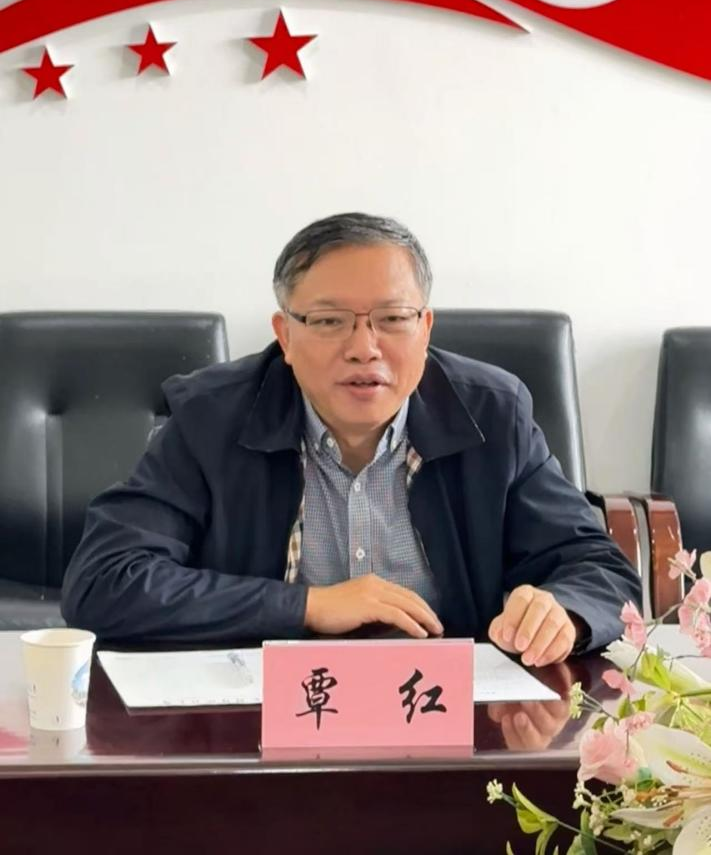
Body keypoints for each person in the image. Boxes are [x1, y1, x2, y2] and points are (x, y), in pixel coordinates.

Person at [61, 212, 641, 666]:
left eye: (393, 319)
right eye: (329, 321)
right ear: (285, 336)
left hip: (451, 724)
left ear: (425, 328)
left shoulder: (493, 413)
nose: (364, 348)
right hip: (261, 727)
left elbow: (601, 572)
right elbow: (105, 581)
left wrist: (562, 613)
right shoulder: (211, 417)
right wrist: (308, 607)